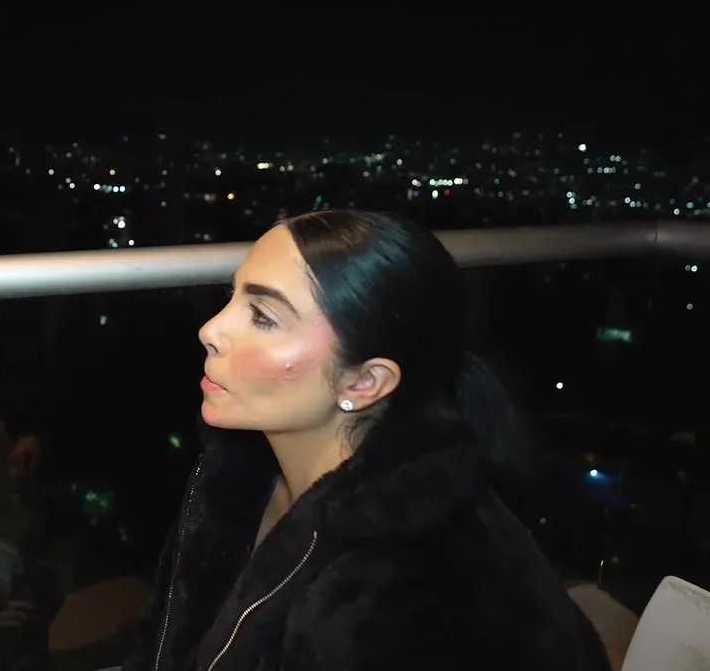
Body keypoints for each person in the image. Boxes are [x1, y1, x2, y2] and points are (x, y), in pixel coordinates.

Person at [123, 210, 612, 670]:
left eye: (264, 316)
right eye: (231, 297)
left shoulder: (414, 584)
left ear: (364, 382)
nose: (210, 329)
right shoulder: (233, 479)